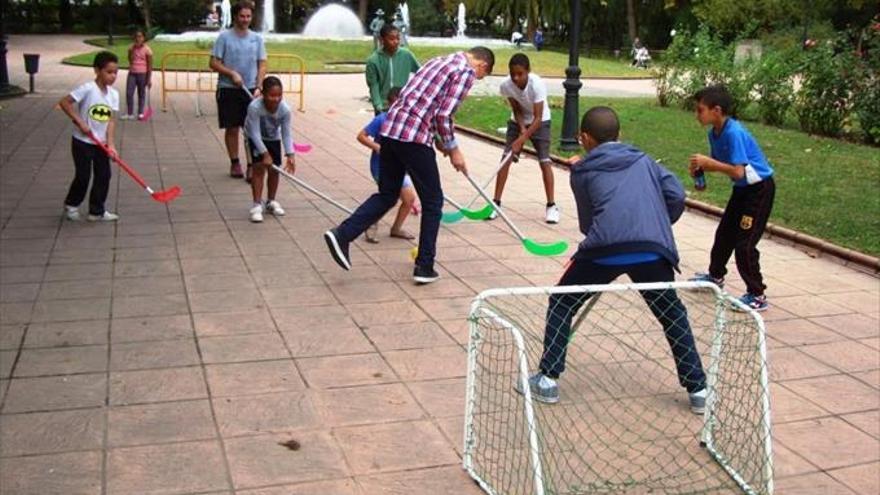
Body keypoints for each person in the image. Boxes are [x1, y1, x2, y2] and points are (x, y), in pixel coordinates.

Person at [517, 106, 707, 414]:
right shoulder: (645, 161)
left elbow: (587, 224)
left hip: (604, 249)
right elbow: (675, 194)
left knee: (563, 302)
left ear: (584, 138)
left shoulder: (583, 171)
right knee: (671, 313)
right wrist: (654, 222)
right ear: (619, 135)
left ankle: (548, 379)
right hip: (651, 248)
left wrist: (581, 174)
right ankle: (698, 389)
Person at [323, 47, 496, 285]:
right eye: (480, 78)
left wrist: (439, 141)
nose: (475, 81)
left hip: (391, 132)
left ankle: (342, 234)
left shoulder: (437, 61)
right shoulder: (465, 72)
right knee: (433, 202)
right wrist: (454, 149)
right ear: (482, 66)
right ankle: (424, 266)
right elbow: (444, 115)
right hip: (413, 137)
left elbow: (426, 105)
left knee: (387, 194)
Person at [689, 85, 776, 312]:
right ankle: (715, 277)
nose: (697, 115)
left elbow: (737, 171)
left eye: (700, 110)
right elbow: (726, 167)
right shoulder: (714, 133)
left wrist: (709, 163)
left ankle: (757, 294)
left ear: (716, 110)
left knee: (744, 243)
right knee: (724, 233)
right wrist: (701, 172)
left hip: (759, 190)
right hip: (742, 189)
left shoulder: (734, 132)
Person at [491, 54, 558, 224]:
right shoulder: (506, 85)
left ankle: (551, 206)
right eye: (513, 74)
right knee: (505, 158)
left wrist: (522, 140)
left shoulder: (537, 85)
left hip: (540, 122)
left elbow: (537, 118)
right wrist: (521, 130)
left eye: (520, 74)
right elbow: (517, 109)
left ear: (528, 71)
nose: (516, 77)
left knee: (544, 161)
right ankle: (496, 203)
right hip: (517, 121)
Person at [58, 51, 121, 222]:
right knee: (83, 176)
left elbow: (111, 121)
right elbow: (64, 102)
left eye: (116, 72)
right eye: (109, 72)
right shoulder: (87, 89)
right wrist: (79, 121)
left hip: (101, 143)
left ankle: (97, 210)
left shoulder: (114, 95)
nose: (113, 76)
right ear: (97, 70)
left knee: (104, 175)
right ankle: (71, 204)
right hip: (82, 142)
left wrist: (111, 145)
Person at [209, 0, 267, 180]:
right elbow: (213, 63)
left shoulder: (256, 39)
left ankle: (251, 165)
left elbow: (262, 64)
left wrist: (258, 86)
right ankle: (235, 162)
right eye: (242, 16)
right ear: (235, 16)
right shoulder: (224, 38)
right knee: (232, 128)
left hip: (250, 89)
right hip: (228, 89)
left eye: (248, 16)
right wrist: (231, 73)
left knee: (250, 129)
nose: (245, 19)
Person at [358, 87, 418, 242]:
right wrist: (378, 147)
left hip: (399, 168)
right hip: (381, 167)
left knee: (409, 199)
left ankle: (396, 229)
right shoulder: (382, 119)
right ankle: (370, 224)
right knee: (388, 197)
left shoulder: (407, 121)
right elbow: (361, 136)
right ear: (390, 103)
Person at [244, 76, 295, 223]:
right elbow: (254, 133)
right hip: (255, 138)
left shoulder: (285, 110)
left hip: (273, 137)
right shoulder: (254, 107)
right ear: (263, 94)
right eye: (272, 95)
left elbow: (286, 133)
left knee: (274, 170)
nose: (276, 99)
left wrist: (290, 154)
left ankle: (271, 201)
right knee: (259, 168)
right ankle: (256, 205)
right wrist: (264, 153)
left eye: (279, 95)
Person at [365, 24, 420, 116]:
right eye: (392, 39)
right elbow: (374, 86)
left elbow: (421, 73)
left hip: (402, 105)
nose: (396, 41)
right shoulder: (373, 61)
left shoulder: (406, 55)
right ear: (381, 40)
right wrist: (378, 107)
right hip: (384, 106)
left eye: (398, 38)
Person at [122, 29, 152, 121]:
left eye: (140, 36)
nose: (138, 39)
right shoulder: (131, 48)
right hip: (132, 73)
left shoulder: (147, 50)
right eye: (136, 37)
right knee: (129, 93)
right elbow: (130, 59)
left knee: (141, 93)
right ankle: (130, 113)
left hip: (142, 74)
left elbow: (150, 65)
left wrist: (149, 79)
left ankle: (140, 113)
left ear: (144, 38)